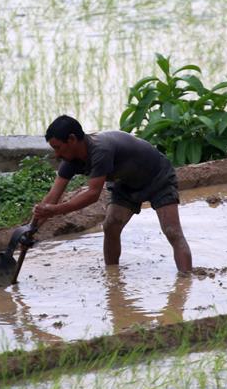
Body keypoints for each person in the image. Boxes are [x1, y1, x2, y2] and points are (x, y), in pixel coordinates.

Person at [32, 115, 193, 273]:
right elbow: (52, 197)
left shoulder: (100, 150)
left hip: (158, 177)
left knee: (172, 231)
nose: (57, 155)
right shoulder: (70, 160)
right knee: (111, 226)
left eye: (58, 147)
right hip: (125, 183)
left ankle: (186, 282)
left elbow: (93, 194)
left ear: (72, 139)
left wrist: (56, 210)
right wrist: (31, 231)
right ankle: (112, 278)